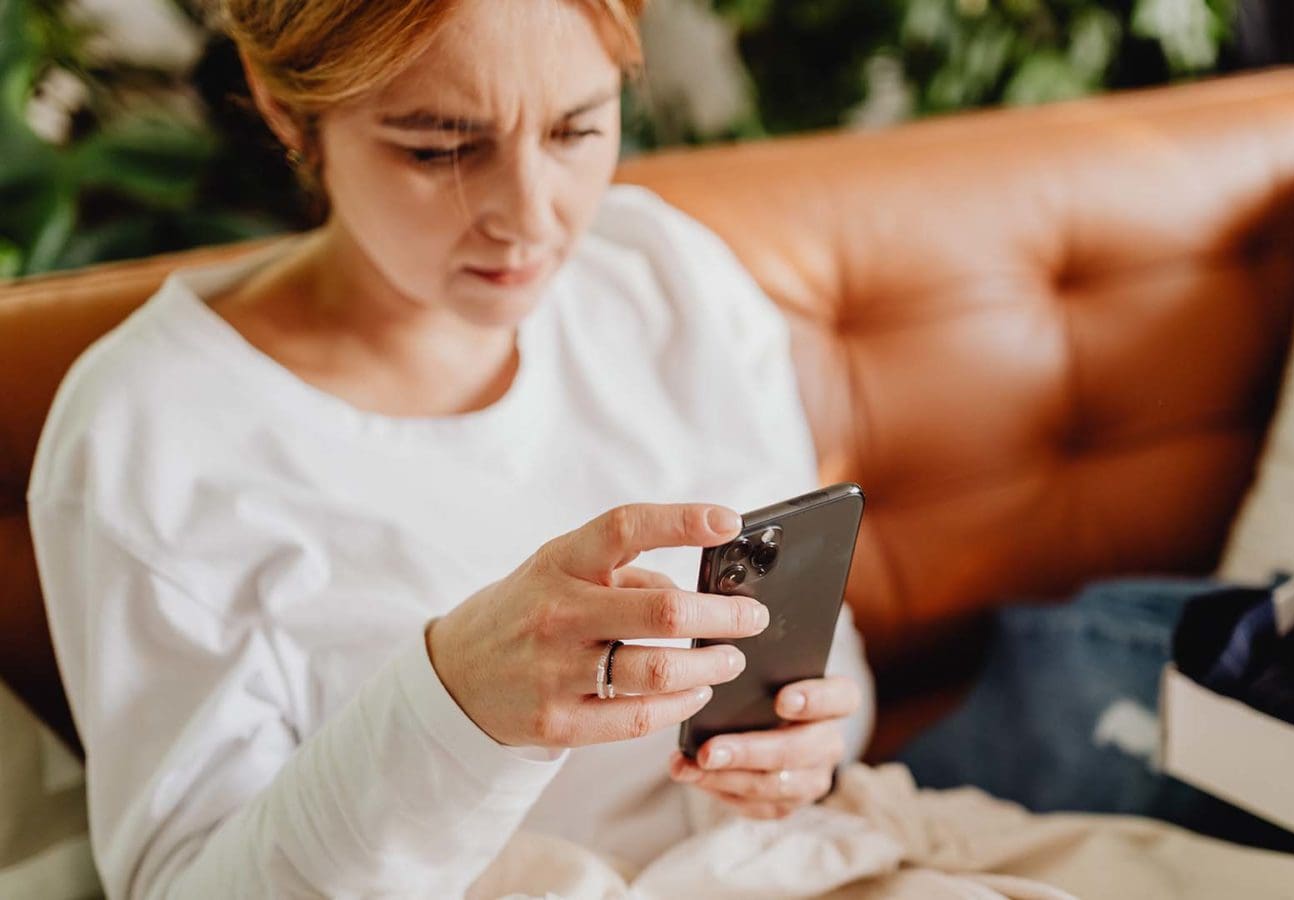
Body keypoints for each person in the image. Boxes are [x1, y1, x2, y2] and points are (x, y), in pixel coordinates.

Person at [25, 0, 874, 896]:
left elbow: (827, 671)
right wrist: (454, 709)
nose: (530, 220)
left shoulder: (662, 276)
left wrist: (795, 754)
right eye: (440, 149)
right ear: (286, 110)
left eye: (577, 128)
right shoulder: (149, 433)